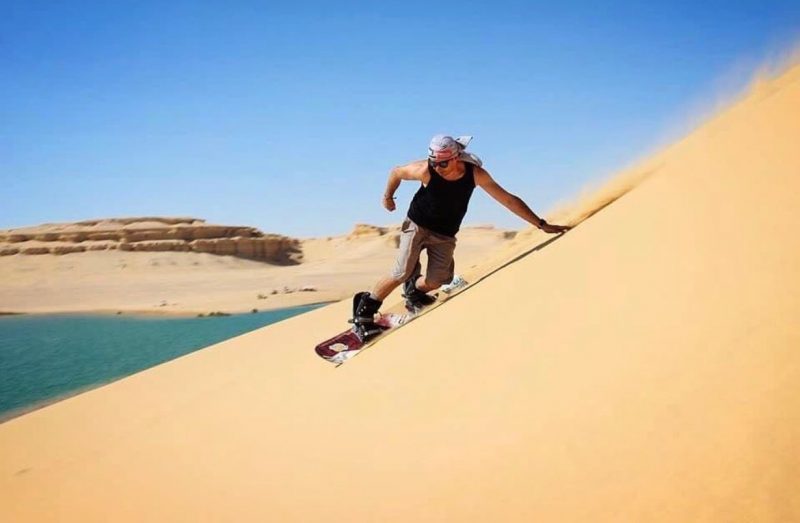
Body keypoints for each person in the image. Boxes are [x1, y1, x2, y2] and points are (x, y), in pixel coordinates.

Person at [351, 135, 571, 340]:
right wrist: (388, 197)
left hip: (445, 234)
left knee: (439, 280)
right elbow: (396, 172)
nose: (437, 167)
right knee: (401, 271)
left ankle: (414, 290)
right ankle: (364, 313)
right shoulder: (425, 170)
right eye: (434, 162)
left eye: (443, 164)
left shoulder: (475, 174)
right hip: (417, 225)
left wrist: (541, 224)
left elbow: (508, 200)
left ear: (456, 158)